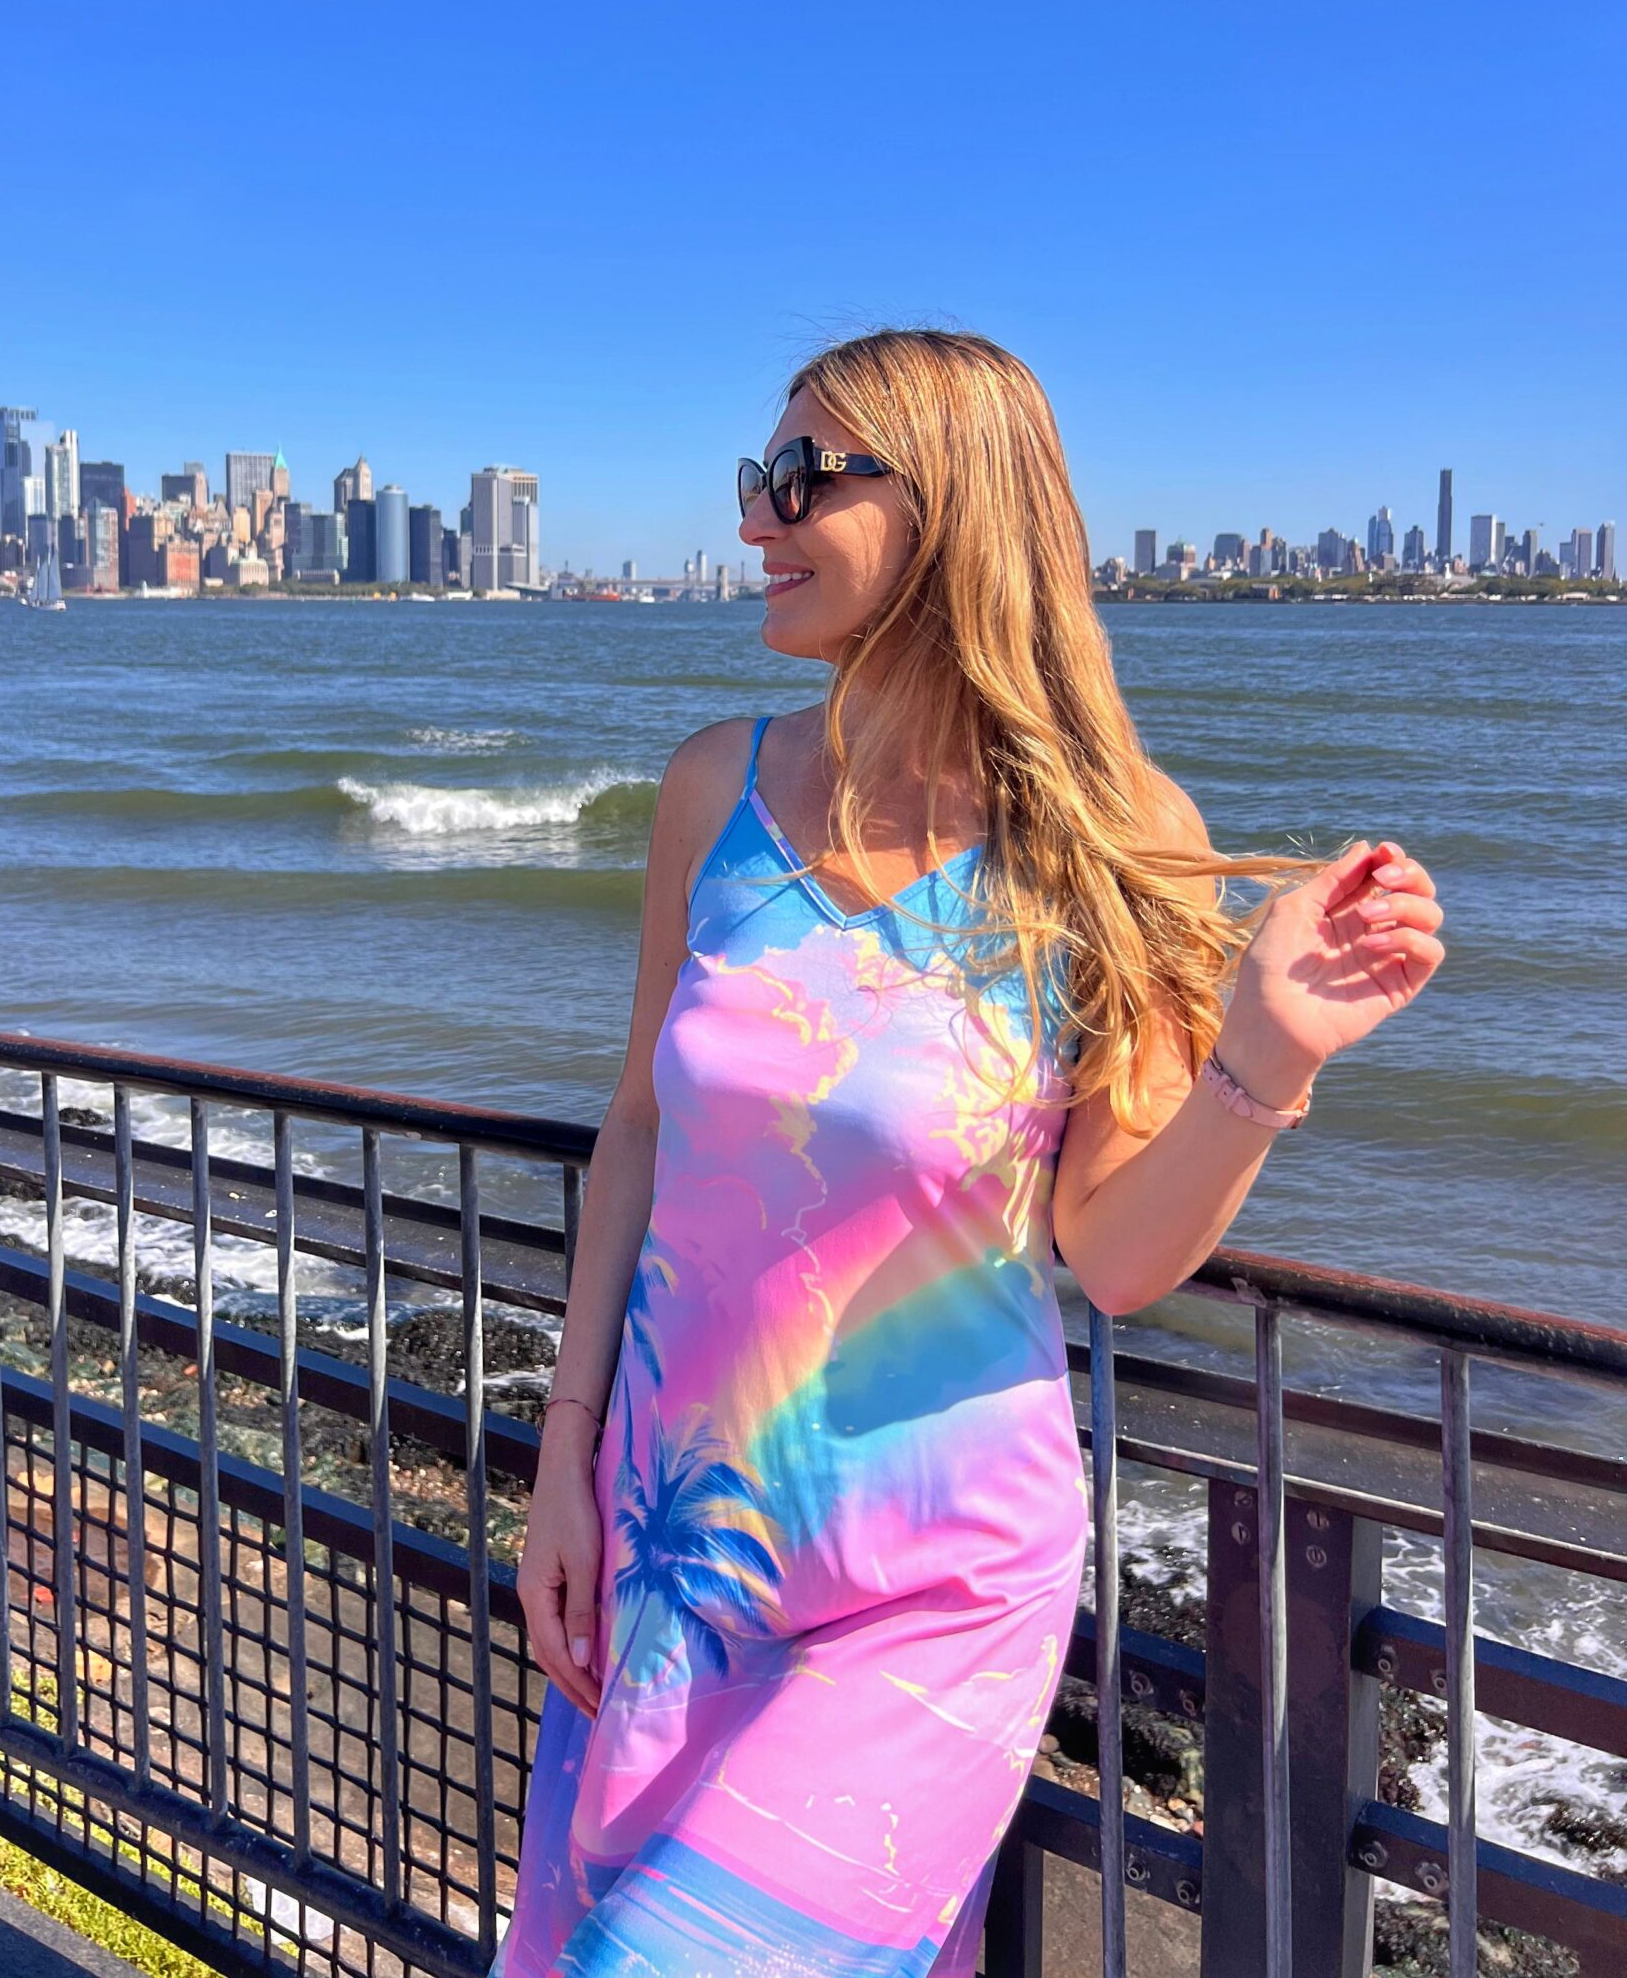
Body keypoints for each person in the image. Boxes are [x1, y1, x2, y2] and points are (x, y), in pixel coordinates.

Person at [490, 327, 1445, 1978]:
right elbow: (638, 1123)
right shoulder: (714, 788)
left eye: (803, 480)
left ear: (953, 510)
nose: (754, 522)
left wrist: (1268, 1054)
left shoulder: (1115, 834)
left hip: (926, 1596)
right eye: (754, 480)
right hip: (672, 1541)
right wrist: (563, 1457)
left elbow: (1115, 1255)